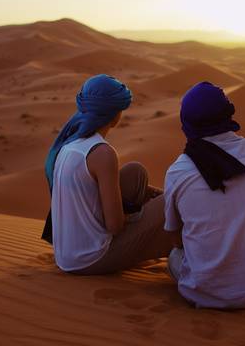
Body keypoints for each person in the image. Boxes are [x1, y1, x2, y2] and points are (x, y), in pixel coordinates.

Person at [164, 81, 245, 309]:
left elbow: (174, 239)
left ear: (186, 121)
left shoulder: (178, 170)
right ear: (227, 113)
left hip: (204, 294)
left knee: (174, 257)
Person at [41, 74, 171, 275]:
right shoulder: (102, 153)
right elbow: (115, 226)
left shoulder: (69, 144)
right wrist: (143, 215)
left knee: (135, 174)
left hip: (66, 255)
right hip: (90, 258)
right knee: (173, 203)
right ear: (115, 115)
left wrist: (153, 197)